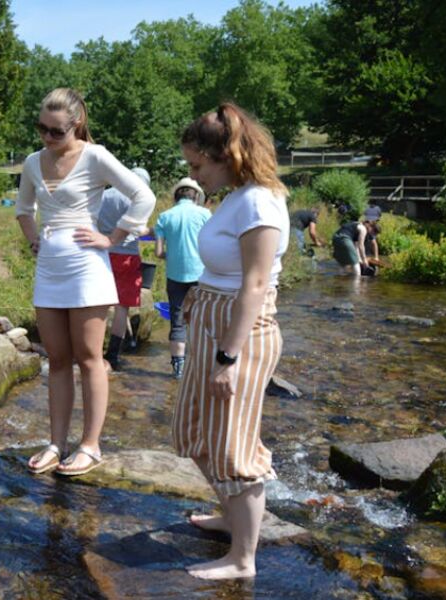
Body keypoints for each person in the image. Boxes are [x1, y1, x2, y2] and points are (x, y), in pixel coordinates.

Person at [172, 102, 289, 580]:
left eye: (198, 165)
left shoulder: (260, 201)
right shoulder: (238, 196)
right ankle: (230, 515)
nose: (194, 175)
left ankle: (244, 559)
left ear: (228, 155)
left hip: (239, 332)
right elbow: (226, 269)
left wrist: (228, 357)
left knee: (234, 447)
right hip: (211, 319)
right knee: (195, 430)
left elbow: (256, 286)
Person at [16, 88, 155, 477]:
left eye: (55, 131)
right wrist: (32, 240)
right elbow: (24, 209)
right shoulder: (31, 162)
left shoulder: (95, 156)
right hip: (49, 269)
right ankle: (56, 443)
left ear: (75, 124)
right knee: (57, 359)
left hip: (87, 268)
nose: (46, 137)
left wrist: (112, 239)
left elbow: (143, 196)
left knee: (90, 358)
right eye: (40, 128)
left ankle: (90, 446)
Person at [154, 177, 210, 379]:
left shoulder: (164, 216)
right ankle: (200, 364)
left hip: (175, 275)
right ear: (195, 196)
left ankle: (178, 369)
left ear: (176, 195)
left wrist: (174, 255)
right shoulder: (205, 214)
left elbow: (159, 252)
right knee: (201, 319)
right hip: (201, 274)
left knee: (177, 320)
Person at [96, 166, 151, 371]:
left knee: (99, 305)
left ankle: (92, 353)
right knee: (121, 308)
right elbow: (139, 229)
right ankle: (112, 356)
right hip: (127, 256)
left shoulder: (105, 195)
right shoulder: (139, 200)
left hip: (101, 252)